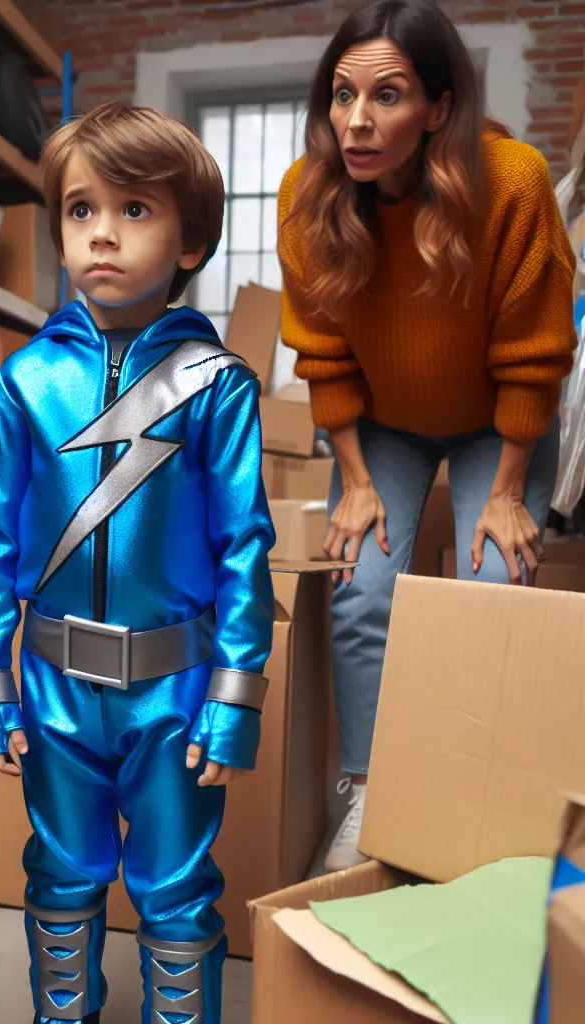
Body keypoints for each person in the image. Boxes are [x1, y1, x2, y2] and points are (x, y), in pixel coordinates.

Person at [0, 102, 275, 1024]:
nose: (102, 233)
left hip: (173, 690)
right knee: (59, 877)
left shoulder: (217, 388)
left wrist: (232, 700)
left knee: (177, 891)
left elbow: (244, 548)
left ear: (189, 240)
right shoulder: (26, 381)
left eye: (135, 210)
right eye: (81, 209)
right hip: (53, 684)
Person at [276, 0, 576, 872]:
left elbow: (537, 353)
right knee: (366, 588)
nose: (356, 121)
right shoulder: (309, 193)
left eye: (388, 96)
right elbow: (322, 352)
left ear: (439, 108)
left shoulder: (511, 183)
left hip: (498, 419)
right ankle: (368, 795)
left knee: (494, 589)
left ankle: (485, 800)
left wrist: (514, 490)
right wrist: (358, 480)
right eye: (341, 95)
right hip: (383, 423)